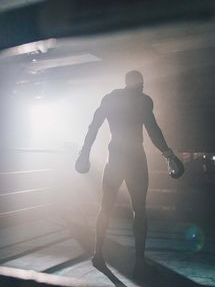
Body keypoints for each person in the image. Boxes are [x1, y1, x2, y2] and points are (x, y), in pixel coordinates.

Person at [75, 71, 183, 273]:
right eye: (141, 84)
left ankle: (98, 255)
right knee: (138, 209)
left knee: (106, 207)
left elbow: (94, 127)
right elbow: (153, 129)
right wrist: (169, 155)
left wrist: (85, 153)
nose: (142, 87)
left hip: (115, 157)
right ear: (139, 84)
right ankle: (138, 261)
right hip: (135, 159)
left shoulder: (111, 99)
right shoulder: (142, 101)